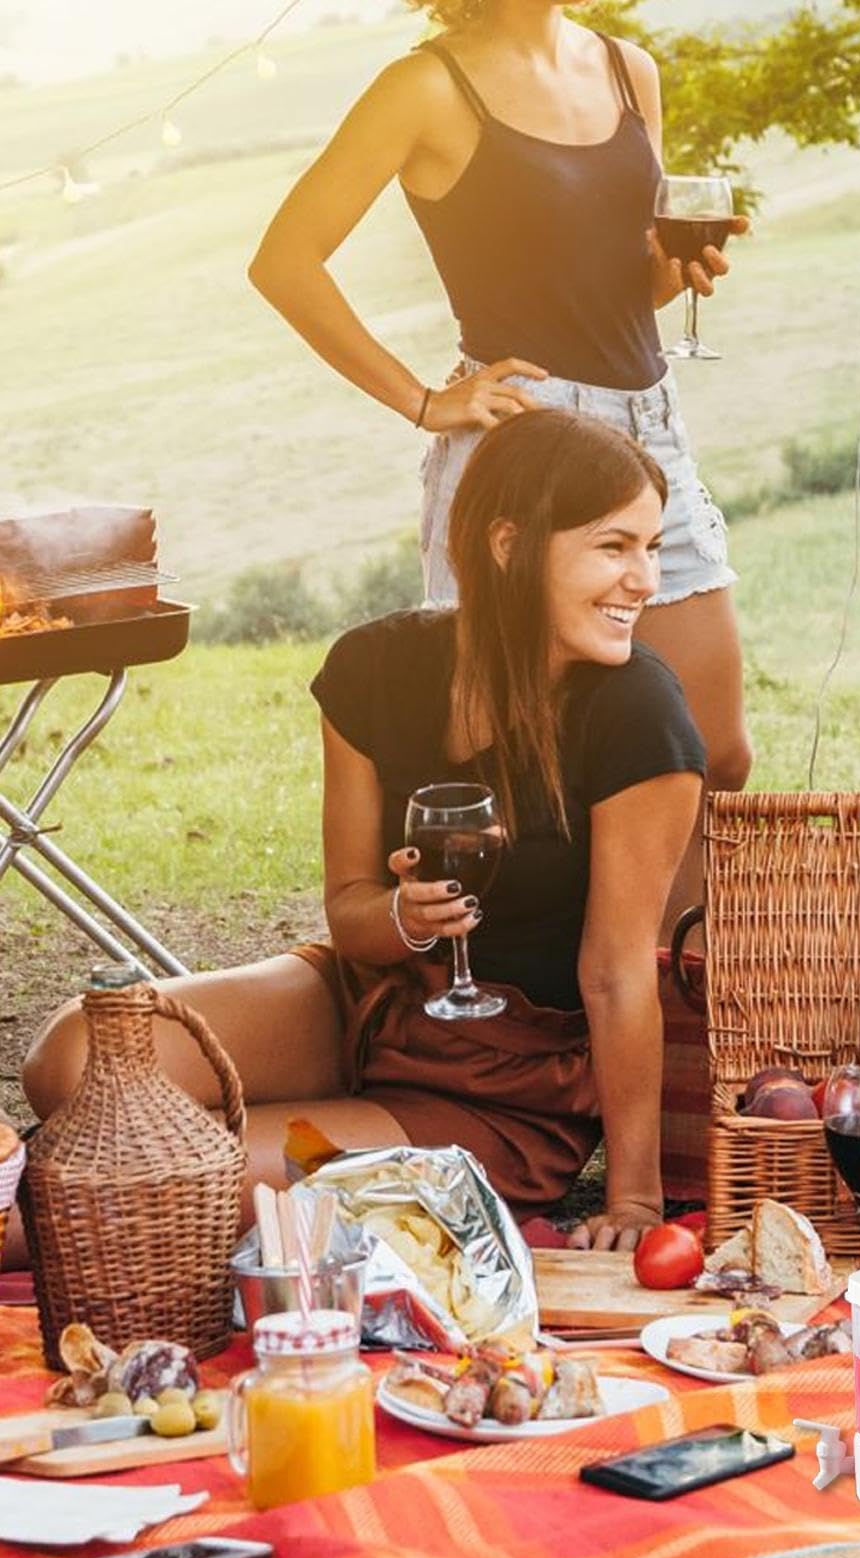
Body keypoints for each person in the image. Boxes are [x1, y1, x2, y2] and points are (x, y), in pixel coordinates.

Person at [22, 410, 706, 1254]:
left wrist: (635, 1198)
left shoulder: (639, 713)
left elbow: (616, 973)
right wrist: (402, 918)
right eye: (614, 547)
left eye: (651, 547)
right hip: (364, 1006)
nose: (645, 579)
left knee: (151, 1181)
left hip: (498, 1089)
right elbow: (349, 909)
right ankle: (237, 1138)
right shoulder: (373, 670)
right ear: (508, 544)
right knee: (70, 1059)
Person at [247, 0, 752, 880]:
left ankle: (667, 959)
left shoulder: (627, 68)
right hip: (521, 449)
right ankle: (531, 961)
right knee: (520, 773)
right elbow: (284, 260)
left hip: (646, 437)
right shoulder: (426, 86)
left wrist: (676, 271)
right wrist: (422, 401)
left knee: (714, 754)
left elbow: (621, 287)